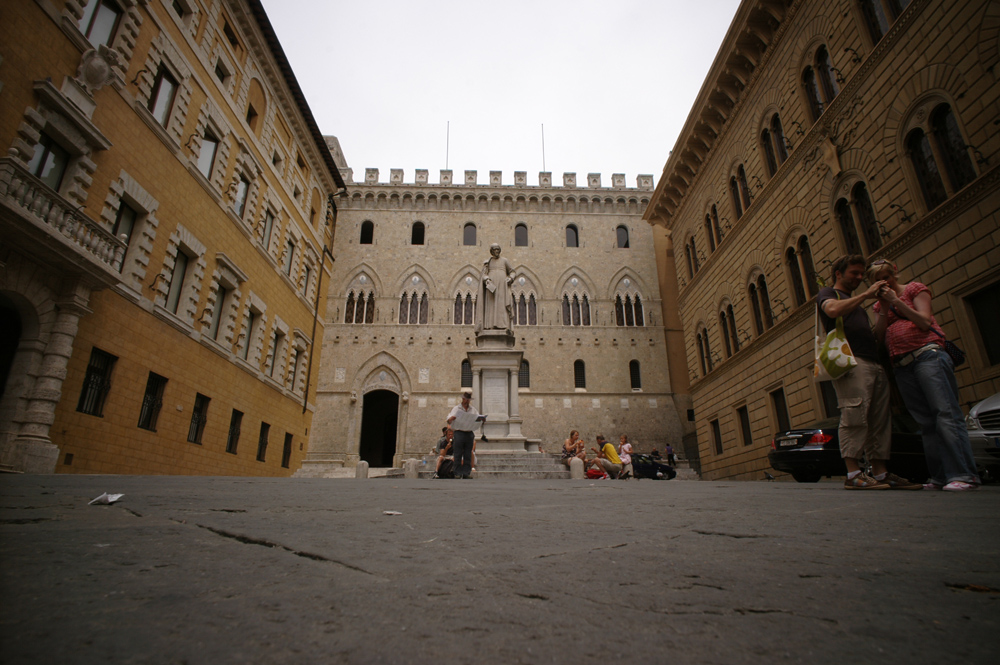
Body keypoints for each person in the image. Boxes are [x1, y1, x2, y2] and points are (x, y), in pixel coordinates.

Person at [869, 259, 980, 491]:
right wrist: (885, 307)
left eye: (886, 277)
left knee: (945, 414)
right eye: (878, 280)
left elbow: (923, 320)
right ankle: (940, 477)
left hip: (928, 356)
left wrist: (896, 301)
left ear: (895, 274)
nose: (884, 283)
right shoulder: (879, 307)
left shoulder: (914, 289)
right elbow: (879, 337)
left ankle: (963, 475)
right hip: (902, 365)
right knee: (926, 423)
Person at [818, 255, 921, 490]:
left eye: (860, 273)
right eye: (854, 273)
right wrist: (865, 295)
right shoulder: (828, 293)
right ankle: (853, 473)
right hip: (852, 363)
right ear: (838, 274)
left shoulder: (857, 306)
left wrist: (884, 307)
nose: (859, 277)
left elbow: (876, 336)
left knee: (879, 420)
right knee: (854, 414)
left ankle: (881, 473)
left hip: (873, 363)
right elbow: (832, 311)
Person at [475, 243, 515, 333]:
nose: (496, 251)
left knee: (502, 305)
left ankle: (503, 325)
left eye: (497, 249)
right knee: (491, 306)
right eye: (494, 249)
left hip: (502, 287)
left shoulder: (505, 261)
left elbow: (512, 272)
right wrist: (487, 279)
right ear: (492, 251)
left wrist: (511, 278)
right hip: (491, 288)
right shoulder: (488, 262)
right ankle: (489, 326)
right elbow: (483, 274)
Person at [447, 391, 482, 479]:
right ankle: (457, 472)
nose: (467, 401)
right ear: (463, 399)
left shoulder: (473, 409)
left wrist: (481, 419)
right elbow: (448, 420)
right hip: (459, 432)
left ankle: (466, 472)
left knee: (468, 453)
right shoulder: (456, 408)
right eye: (466, 399)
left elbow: (477, 417)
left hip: (469, 433)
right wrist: (451, 419)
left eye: (468, 400)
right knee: (458, 453)